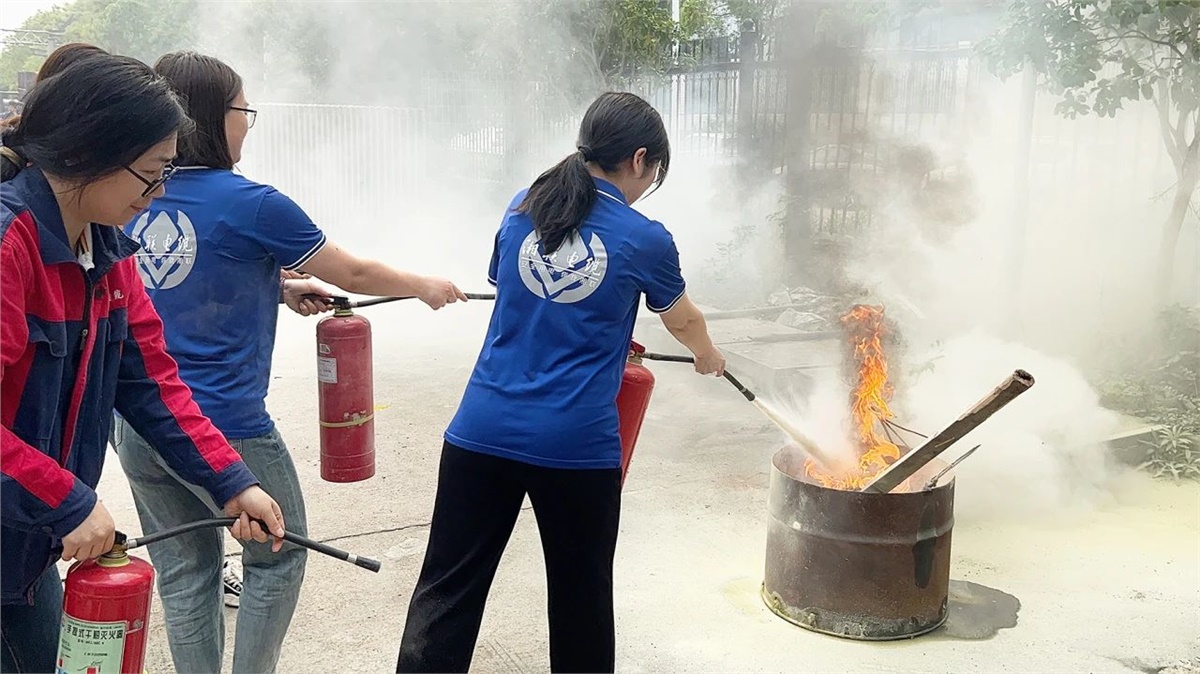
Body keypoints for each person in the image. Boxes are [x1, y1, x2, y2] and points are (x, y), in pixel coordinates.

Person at [111, 50, 467, 674]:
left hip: (139, 426)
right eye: (244, 110)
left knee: (185, 572)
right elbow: (352, 271)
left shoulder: (130, 199)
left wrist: (274, 285)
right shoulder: (252, 203)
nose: (248, 123)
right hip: (225, 426)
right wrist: (423, 284)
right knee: (276, 554)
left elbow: (166, 281)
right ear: (210, 118)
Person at [396, 91, 727, 673]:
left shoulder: (524, 206)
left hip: (480, 434)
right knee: (581, 602)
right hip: (575, 450)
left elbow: (518, 293)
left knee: (446, 593)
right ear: (640, 158)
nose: (648, 185)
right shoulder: (645, 236)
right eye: (653, 173)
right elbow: (685, 319)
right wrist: (707, 357)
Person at [0, 53, 287, 674]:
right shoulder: (8, 246)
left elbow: (152, 381)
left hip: (23, 544)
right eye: (151, 173)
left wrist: (231, 481)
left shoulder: (108, 252)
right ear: (87, 155)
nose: (158, 194)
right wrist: (66, 501)